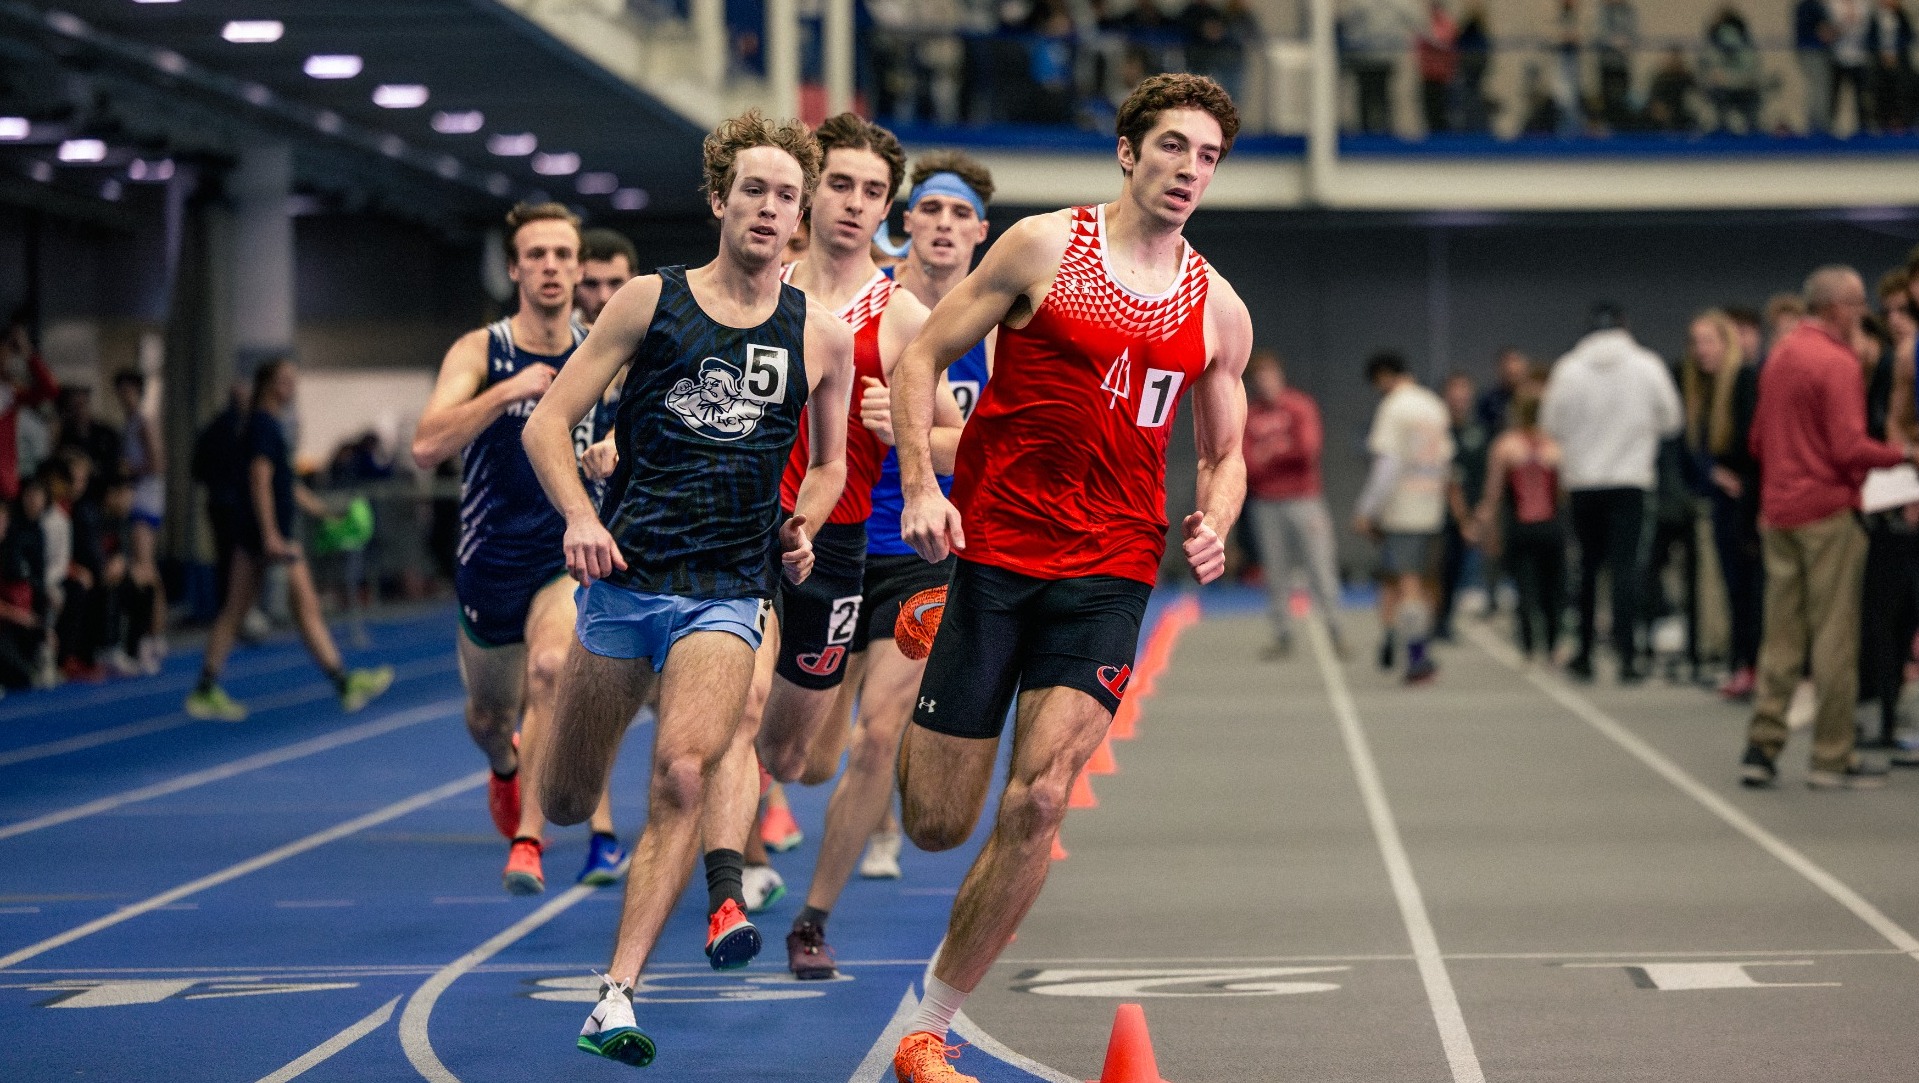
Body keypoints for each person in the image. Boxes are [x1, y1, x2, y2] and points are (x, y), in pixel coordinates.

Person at [885, 73, 1252, 1083]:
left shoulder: (1217, 308)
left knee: (1040, 797)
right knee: (935, 823)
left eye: (1207, 156)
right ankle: (937, 624)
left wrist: (1215, 521)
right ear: (1128, 152)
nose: (1188, 168)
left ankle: (930, 1028)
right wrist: (919, 487)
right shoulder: (1042, 247)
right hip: (994, 553)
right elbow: (918, 360)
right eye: (1172, 146)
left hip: (1110, 569)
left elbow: (1224, 452)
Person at [519, 110, 853, 1067]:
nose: (769, 208)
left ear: (798, 217)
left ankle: (617, 991)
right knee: (570, 795)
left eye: (786, 195)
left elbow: (830, 464)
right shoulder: (646, 301)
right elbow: (547, 424)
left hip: (727, 587)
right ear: (719, 199)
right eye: (753, 189)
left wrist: (803, 524)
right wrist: (580, 518)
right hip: (625, 581)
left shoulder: (820, 335)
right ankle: (563, 815)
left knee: (681, 771)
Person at [710, 113, 957, 918]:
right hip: (743, 535)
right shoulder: (756, 285)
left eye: (871, 191)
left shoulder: (903, 316)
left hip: (846, 545)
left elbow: (963, 442)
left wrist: (905, 430)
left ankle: (766, 809)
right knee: (737, 708)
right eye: (840, 184)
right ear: (810, 192)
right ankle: (731, 880)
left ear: (887, 208)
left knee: (803, 757)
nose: (853, 203)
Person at [785, 149, 997, 982]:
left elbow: (989, 449)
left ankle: (812, 916)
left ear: (980, 232)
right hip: (827, 541)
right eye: (930, 209)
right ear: (904, 221)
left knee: (881, 732)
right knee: (807, 757)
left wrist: (908, 429)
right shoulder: (856, 300)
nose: (943, 225)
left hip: (919, 554)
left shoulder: (993, 328)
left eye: (960, 214)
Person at [412, 202, 626, 895]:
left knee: (553, 667)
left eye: (563, 255)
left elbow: (643, 427)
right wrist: (506, 393)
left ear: (578, 266)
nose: (552, 268)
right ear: (514, 268)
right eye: (537, 255)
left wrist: (613, 445)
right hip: (489, 563)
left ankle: (528, 842)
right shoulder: (482, 351)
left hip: (565, 555)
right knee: (488, 716)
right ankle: (504, 764)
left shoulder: (603, 349)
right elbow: (426, 445)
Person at [1740, 266, 1916, 790]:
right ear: (1837, 307)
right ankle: (1831, 756)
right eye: (1858, 305)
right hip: (1827, 514)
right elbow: (1847, 447)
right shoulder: (1837, 363)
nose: (1864, 315)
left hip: (1779, 513)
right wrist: (1903, 454)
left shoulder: (1780, 355)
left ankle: (1762, 746)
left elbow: (1756, 441)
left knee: (1781, 635)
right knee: (1835, 639)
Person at [184, 360, 394, 721]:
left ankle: (205, 688)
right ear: (268, 384)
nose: (292, 387)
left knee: (242, 610)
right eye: (285, 380)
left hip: (262, 533)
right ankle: (343, 683)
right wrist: (270, 535)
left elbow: (286, 485)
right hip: (268, 535)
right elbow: (260, 479)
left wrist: (323, 512)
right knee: (300, 608)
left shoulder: (266, 425)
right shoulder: (264, 425)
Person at [1541, 303, 1681, 684]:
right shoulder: (1647, 365)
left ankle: (1585, 654)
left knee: (1586, 568)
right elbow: (1672, 420)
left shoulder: (1568, 369)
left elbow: (1550, 424)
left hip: (1583, 483)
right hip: (1631, 480)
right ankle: (1628, 656)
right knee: (1626, 569)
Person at [1354, 351, 1453, 683]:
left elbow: (1387, 466)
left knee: (1404, 582)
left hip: (1403, 509)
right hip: (1432, 506)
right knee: (1425, 585)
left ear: (1384, 376)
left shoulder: (1394, 407)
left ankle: (1416, 657)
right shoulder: (1434, 405)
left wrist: (1367, 510)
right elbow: (1446, 462)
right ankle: (1406, 644)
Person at [1242, 349, 1346, 659]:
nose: (1265, 382)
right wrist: (1278, 452)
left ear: (1280, 376)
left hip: (1305, 500)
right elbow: (1246, 463)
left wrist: (1269, 454)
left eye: (1270, 375)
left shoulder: (1300, 406)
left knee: (1321, 567)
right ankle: (1283, 635)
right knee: (1275, 572)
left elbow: (1307, 451)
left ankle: (1336, 631)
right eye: (1259, 377)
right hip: (1266, 505)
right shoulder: (1249, 414)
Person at [1681, 310, 1761, 698]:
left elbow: (1753, 441)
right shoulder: (1700, 392)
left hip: (1748, 500)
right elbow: (1694, 449)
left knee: (1751, 585)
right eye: (1696, 342)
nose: (1701, 350)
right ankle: (1742, 663)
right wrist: (1712, 471)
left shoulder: (1744, 380)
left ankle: (1756, 665)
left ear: (1726, 343)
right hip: (1721, 502)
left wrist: (1738, 478)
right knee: (1733, 585)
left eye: (1708, 341)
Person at [1477, 387, 1565, 661]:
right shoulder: (1555, 446)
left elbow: (1493, 494)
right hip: (1550, 525)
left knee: (1525, 587)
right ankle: (1552, 644)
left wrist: (1489, 529)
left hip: (1521, 526)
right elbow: (1563, 492)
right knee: (1552, 588)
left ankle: (1528, 646)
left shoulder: (1506, 446)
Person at [112, 369, 166, 673]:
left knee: (145, 568)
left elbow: (156, 463)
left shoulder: (144, 420)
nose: (123, 397)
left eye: (128, 391)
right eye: (120, 391)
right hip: (138, 496)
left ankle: (150, 634)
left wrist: (129, 470)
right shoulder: (130, 421)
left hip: (145, 498)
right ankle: (152, 633)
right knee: (145, 567)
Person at [1435, 372, 1488, 641]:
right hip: (1438, 515)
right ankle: (1429, 626)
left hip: (1470, 513)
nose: (1460, 400)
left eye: (1465, 394)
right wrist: (1463, 517)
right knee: (1433, 573)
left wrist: (1480, 512)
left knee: (1455, 570)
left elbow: (1484, 475)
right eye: (1455, 394)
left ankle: (1443, 621)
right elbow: (1449, 481)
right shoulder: (1437, 430)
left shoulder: (1478, 431)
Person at [0, 321, 59, 502]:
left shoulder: (10, 392)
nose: (5, 356)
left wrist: (27, 352)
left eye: (9, 351)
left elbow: (50, 389)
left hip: (4, 484)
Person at [576, 228, 638, 327]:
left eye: (615, 283)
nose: (604, 297)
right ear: (574, 281)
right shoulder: (553, 333)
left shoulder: (656, 332)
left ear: (634, 280)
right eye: (591, 284)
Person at [1798, 0, 1839, 134]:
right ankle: (1819, 126)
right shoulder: (1812, 6)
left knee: (1818, 88)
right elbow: (1824, 33)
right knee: (1820, 89)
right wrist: (1841, 31)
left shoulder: (1808, 6)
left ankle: (1817, 125)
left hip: (1811, 51)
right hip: (1814, 52)